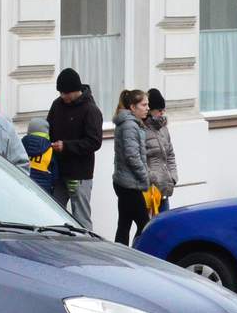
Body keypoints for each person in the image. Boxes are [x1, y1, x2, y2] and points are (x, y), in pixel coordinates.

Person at [47, 68, 104, 226]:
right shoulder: (57, 105)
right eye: (60, 93)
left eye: (65, 93)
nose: (62, 96)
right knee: (53, 212)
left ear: (74, 90)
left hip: (79, 174)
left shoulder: (90, 110)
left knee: (81, 217)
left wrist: (65, 146)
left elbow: (94, 142)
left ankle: (85, 247)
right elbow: (48, 127)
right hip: (58, 171)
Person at [111, 89, 154, 246]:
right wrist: (145, 176)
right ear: (132, 107)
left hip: (124, 182)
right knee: (146, 225)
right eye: (144, 104)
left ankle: (121, 256)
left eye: (148, 104)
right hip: (129, 184)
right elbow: (132, 156)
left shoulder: (131, 123)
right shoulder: (130, 125)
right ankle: (140, 255)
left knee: (124, 224)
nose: (147, 108)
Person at [143, 88, 178, 212]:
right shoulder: (142, 130)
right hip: (149, 190)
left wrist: (173, 177)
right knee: (148, 227)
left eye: (163, 109)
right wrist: (152, 178)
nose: (162, 112)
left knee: (165, 226)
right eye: (159, 110)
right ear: (150, 110)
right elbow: (140, 159)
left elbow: (170, 155)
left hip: (164, 188)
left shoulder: (163, 129)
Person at [22, 118, 61, 199]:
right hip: (43, 191)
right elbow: (55, 176)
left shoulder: (21, 144)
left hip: (24, 185)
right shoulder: (50, 149)